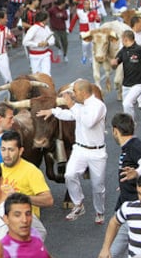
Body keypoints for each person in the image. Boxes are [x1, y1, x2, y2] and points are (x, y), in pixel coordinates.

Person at [37, 79, 106, 222]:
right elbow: (69, 115)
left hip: (97, 152)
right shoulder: (80, 106)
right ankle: (78, 204)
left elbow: (88, 122)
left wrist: (71, 105)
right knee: (69, 175)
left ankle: (99, 212)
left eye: (74, 92)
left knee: (97, 186)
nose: (73, 95)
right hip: (79, 149)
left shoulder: (98, 106)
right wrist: (53, 111)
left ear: (82, 92)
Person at [0, 130, 54, 218]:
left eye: (11, 150)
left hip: (25, 224)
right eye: (3, 149)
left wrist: (19, 197)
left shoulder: (31, 171)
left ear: (20, 151)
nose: (6, 154)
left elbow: (48, 200)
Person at [111, 113, 141, 210]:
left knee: (115, 224)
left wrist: (135, 173)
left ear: (115, 131)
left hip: (136, 204)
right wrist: (124, 184)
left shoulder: (134, 146)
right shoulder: (130, 146)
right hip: (126, 199)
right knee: (115, 222)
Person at [1, 193, 52, 258]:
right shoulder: (2, 252)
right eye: (17, 215)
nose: (24, 220)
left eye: (28, 214)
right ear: (6, 219)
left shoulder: (35, 233)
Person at [22, 11, 55, 76]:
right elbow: (25, 42)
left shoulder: (46, 28)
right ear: (45, 19)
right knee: (37, 76)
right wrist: (37, 44)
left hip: (45, 54)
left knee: (47, 75)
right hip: (35, 56)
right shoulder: (33, 28)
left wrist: (47, 43)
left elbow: (52, 39)